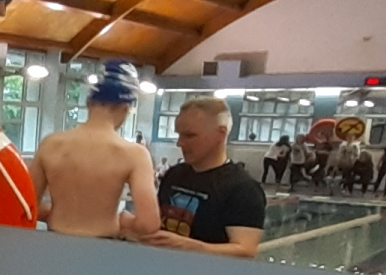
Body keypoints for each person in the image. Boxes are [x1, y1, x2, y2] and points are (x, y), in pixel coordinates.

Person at [30, 60, 161, 239]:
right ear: (126, 108)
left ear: (89, 103)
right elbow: (149, 224)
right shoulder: (134, 154)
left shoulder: (51, 144)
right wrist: (122, 220)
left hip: (54, 241)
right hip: (103, 246)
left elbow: (26, 205)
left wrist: (54, 214)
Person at [142, 97, 266, 258]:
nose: (180, 143)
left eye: (190, 135)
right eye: (179, 135)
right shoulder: (175, 174)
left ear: (220, 134)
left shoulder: (243, 189)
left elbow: (245, 250)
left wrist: (192, 247)